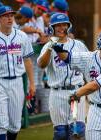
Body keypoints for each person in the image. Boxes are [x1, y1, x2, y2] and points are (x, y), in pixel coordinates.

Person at [54, 29, 101, 139]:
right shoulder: (88, 58)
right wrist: (56, 47)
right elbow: (67, 58)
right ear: (100, 42)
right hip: (95, 111)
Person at [37, 12, 88, 140]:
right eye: (57, 25)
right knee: (60, 134)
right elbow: (42, 64)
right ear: (52, 28)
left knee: (78, 131)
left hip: (76, 91)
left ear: (68, 26)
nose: (61, 28)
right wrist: (50, 47)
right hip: (57, 93)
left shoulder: (79, 45)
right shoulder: (48, 47)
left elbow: (88, 65)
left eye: (63, 25)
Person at [0, 6, 35, 140]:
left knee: (15, 124)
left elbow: (27, 61)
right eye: (5, 15)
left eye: (11, 15)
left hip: (17, 82)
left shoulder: (21, 36)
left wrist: (32, 83)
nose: (9, 18)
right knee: (1, 123)